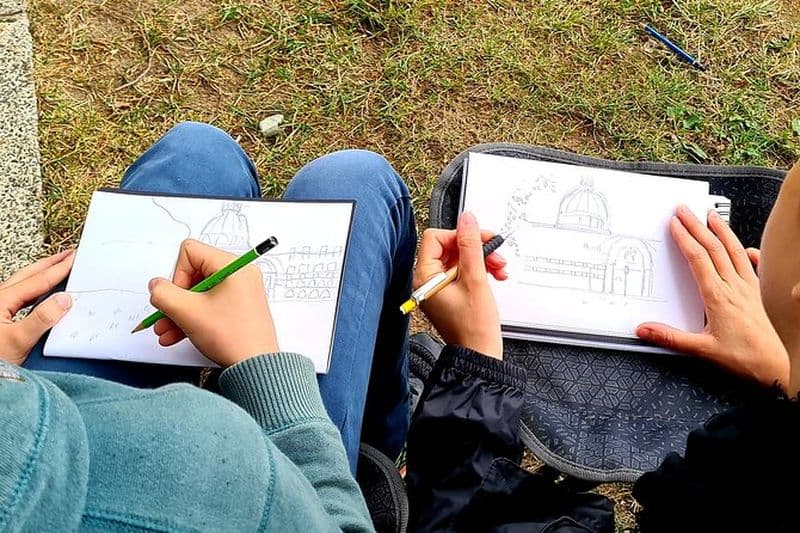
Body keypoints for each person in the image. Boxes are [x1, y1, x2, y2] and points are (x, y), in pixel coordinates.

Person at [1, 122, 418, 529]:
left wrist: (4, 372)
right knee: (356, 180)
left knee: (197, 152)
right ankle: (371, 453)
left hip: (36, 422)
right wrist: (264, 368)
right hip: (273, 482)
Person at [402, 168, 800, 530]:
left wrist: (476, 366)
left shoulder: (737, 481)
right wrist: (785, 370)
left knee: (371, 182)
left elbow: (461, 519)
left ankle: (381, 458)